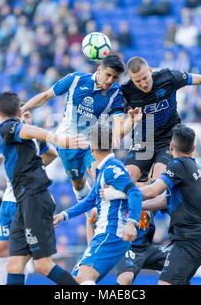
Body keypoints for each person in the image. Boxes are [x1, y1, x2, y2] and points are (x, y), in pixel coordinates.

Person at [22, 54, 127, 244]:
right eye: (109, 75)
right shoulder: (76, 79)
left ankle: (110, 223)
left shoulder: (115, 92)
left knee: (101, 176)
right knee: (78, 183)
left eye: (115, 78)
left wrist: (119, 132)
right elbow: (46, 96)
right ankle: (90, 214)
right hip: (66, 142)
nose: (111, 81)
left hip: (92, 143)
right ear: (99, 69)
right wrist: (21, 110)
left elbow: (119, 120)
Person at [0, 91, 86, 285]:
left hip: (34, 198)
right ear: (20, 111)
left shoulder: (9, 127)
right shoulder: (18, 135)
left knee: (43, 265)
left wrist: (57, 139)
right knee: (14, 265)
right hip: (24, 202)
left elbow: (26, 130)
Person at [119, 56, 201, 184]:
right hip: (144, 141)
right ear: (131, 80)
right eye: (138, 81)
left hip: (169, 139)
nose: (143, 83)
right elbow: (119, 133)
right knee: (126, 180)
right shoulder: (125, 92)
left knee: (158, 183)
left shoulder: (168, 77)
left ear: (150, 70)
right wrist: (130, 120)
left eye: (145, 78)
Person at [53, 122, 142, 284]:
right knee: (76, 279)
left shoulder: (113, 168)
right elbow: (90, 200)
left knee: (84, 277)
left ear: (91, 148)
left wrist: (132, 222)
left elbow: (135, 192)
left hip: (111, 233)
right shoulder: (104, 169)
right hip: (104, 233)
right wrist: (64, 215)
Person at [0, 108, 57, 285]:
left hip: (27, 200)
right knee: (2, 249)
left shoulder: (35, 137)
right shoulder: (5, 137)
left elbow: (53, 154)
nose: (24, 119)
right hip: (9, 200)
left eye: (28, 115)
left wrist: (34, 166)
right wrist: (3, 154)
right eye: (22, 115)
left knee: (31, 259)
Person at [136, 124, 201, 285]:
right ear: (192, 148)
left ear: (171, 146)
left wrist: (120, 194)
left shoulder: (178, 165)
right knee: (148, 259)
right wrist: (138, 206)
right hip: (197, 241)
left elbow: (152, 191)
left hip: (190, 242)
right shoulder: (192, 167)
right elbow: (164, 200)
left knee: (165, 283)